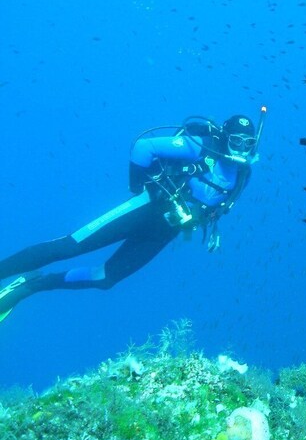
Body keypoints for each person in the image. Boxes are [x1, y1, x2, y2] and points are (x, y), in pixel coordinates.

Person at [0, 109, 266, 322]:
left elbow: (215, 203)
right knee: (68, 247)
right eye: (236, 141)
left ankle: (31, 285)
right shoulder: (201, 148)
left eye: (248, 144)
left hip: (165, 231)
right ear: (225, 138)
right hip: (143, 209)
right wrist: (141, 188)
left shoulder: (243, 175)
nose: (241, 149)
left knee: (106, 278)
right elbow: (143, 147)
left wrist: (211, 223)